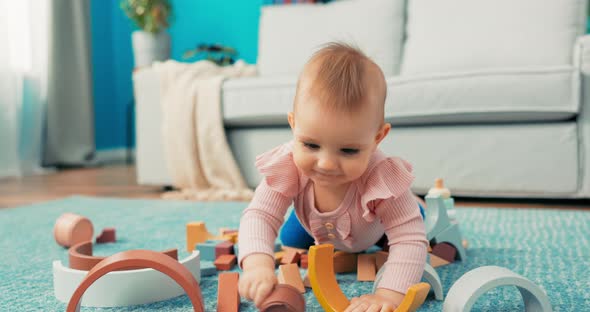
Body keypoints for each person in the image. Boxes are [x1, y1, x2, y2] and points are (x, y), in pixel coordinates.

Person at [237, 42, 428, 311]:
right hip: (316, 227)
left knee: (415, 227)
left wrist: (389, 295)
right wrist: (257, 264)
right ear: (294, 124)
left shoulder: (380, 177)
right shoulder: (287, 163)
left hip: (373, 230)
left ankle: (417, 204)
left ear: (377, 139)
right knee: (290, 241)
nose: (326, 164)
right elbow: (260, 214)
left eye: (349, 150)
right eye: (311, 145)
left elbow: (408, 238)